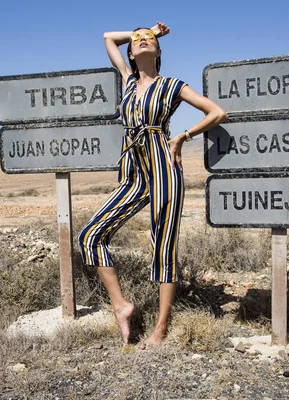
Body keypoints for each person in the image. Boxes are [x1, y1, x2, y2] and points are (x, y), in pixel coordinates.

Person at [77, 21, 227, 348]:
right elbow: (106, 37)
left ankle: (159, 330)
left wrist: (183, 137)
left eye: (149, 39)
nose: (143, 40)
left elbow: (216, 112)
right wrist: (151, 32)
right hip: (132, 170)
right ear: (130, 52)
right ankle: (121, 305)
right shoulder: (128, 81)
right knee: (89, 236)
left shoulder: (172, 85)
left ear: (159, 53)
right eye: (138, 39)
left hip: (163, 165)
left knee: (163, 246)